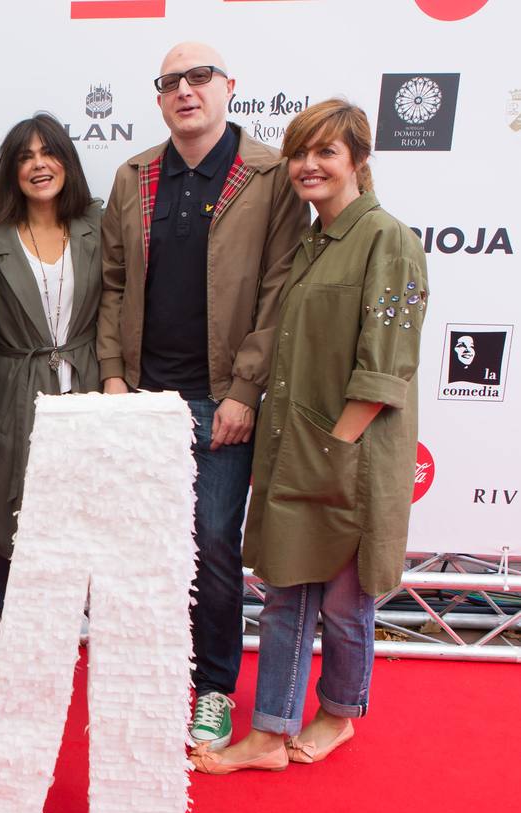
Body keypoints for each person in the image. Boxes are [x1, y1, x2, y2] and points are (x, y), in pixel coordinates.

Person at [192, 100, 428, 774]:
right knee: (287, 592)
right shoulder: (310, 243)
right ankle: (268, 735)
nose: (308, 165)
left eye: (326, 151)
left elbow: (386, 366)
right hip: (297, 447)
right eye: (300, 152)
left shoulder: (389, 240)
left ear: (358, 159)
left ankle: (340, 713)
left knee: (347, 603)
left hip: (356, 455)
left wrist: (337, 449)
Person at [98, 42, 308, 749]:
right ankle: (153, 674)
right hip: (143, 400)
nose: (185, 90)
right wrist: (113, 377)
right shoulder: (135, 176)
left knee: (215, 546)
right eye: (171, 82)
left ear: (228, 88)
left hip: (223, 400)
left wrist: (246, 389)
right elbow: (115, 283)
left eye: (199, 78)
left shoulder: (270, 175)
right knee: (144, 549)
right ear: (159, 98)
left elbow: (282, 290)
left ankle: (215, 687)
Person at [0, 114, 104, 611]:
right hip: (15, 388)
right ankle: (14, 623)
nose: (38, 165)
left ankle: (75, 619)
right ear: (11, 171)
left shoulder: (98, 224)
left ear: (67, 161)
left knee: (84, 508)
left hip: (89, 386)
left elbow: (118, 303)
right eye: (24, 157)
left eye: (47, 152)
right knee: (14, 510)